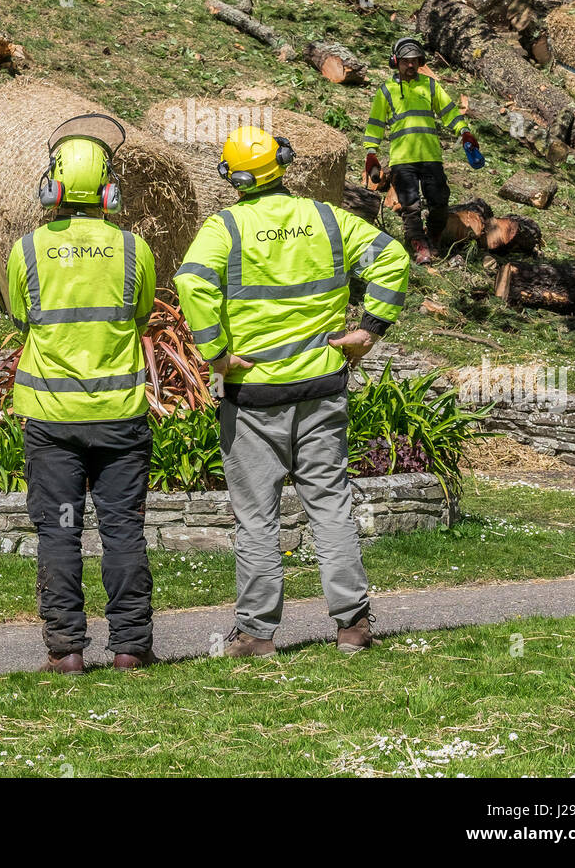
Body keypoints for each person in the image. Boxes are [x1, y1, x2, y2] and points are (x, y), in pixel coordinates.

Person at [174, 124, 409, 658]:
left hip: (253, 397)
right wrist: (369, 329)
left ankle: (256, 634)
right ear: (282, 163)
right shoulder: (326, 218)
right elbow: (393, 257)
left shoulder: (224, 228)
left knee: (257, 516)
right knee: (330, 506)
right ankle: (353, 625)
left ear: (233, 178)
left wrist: (215, 354)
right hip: (322, 390)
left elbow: (192, 282)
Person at [6, 115, 156, 674]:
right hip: (119, 419)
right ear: (109, 189)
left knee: (61, 532)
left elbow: (24, 318)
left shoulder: (26, 250)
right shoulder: (133, 247)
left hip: (51, 422)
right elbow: (141, 315)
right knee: (122, 532)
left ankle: (66, 650)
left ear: (53, 185)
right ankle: (130, 648)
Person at [362, 36, 478, 265]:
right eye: (406, 61)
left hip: (431, 157)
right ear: (396, 61)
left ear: (421, 61)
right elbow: (375, 124)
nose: (411, 65)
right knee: (410, 205)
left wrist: (464, 131)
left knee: (439, 201)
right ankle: (419, 244)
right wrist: (371, 153)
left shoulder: (430, 86)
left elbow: (449, 112)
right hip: (402, 159)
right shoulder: (386, 91)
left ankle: (432, 238)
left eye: (415, 60)